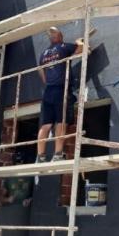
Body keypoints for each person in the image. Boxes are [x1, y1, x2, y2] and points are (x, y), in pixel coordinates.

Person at [36, 27, 84, 162]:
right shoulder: (64, 47)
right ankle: (57, 155)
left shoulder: (43, 54)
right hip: (60, 90)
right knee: (61, 122)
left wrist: (50, 81)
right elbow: (81, 49)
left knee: (46, 125)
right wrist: (79, 41)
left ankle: (40, 156)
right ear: (60, 36)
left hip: (48, 91)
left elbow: (42, 74)